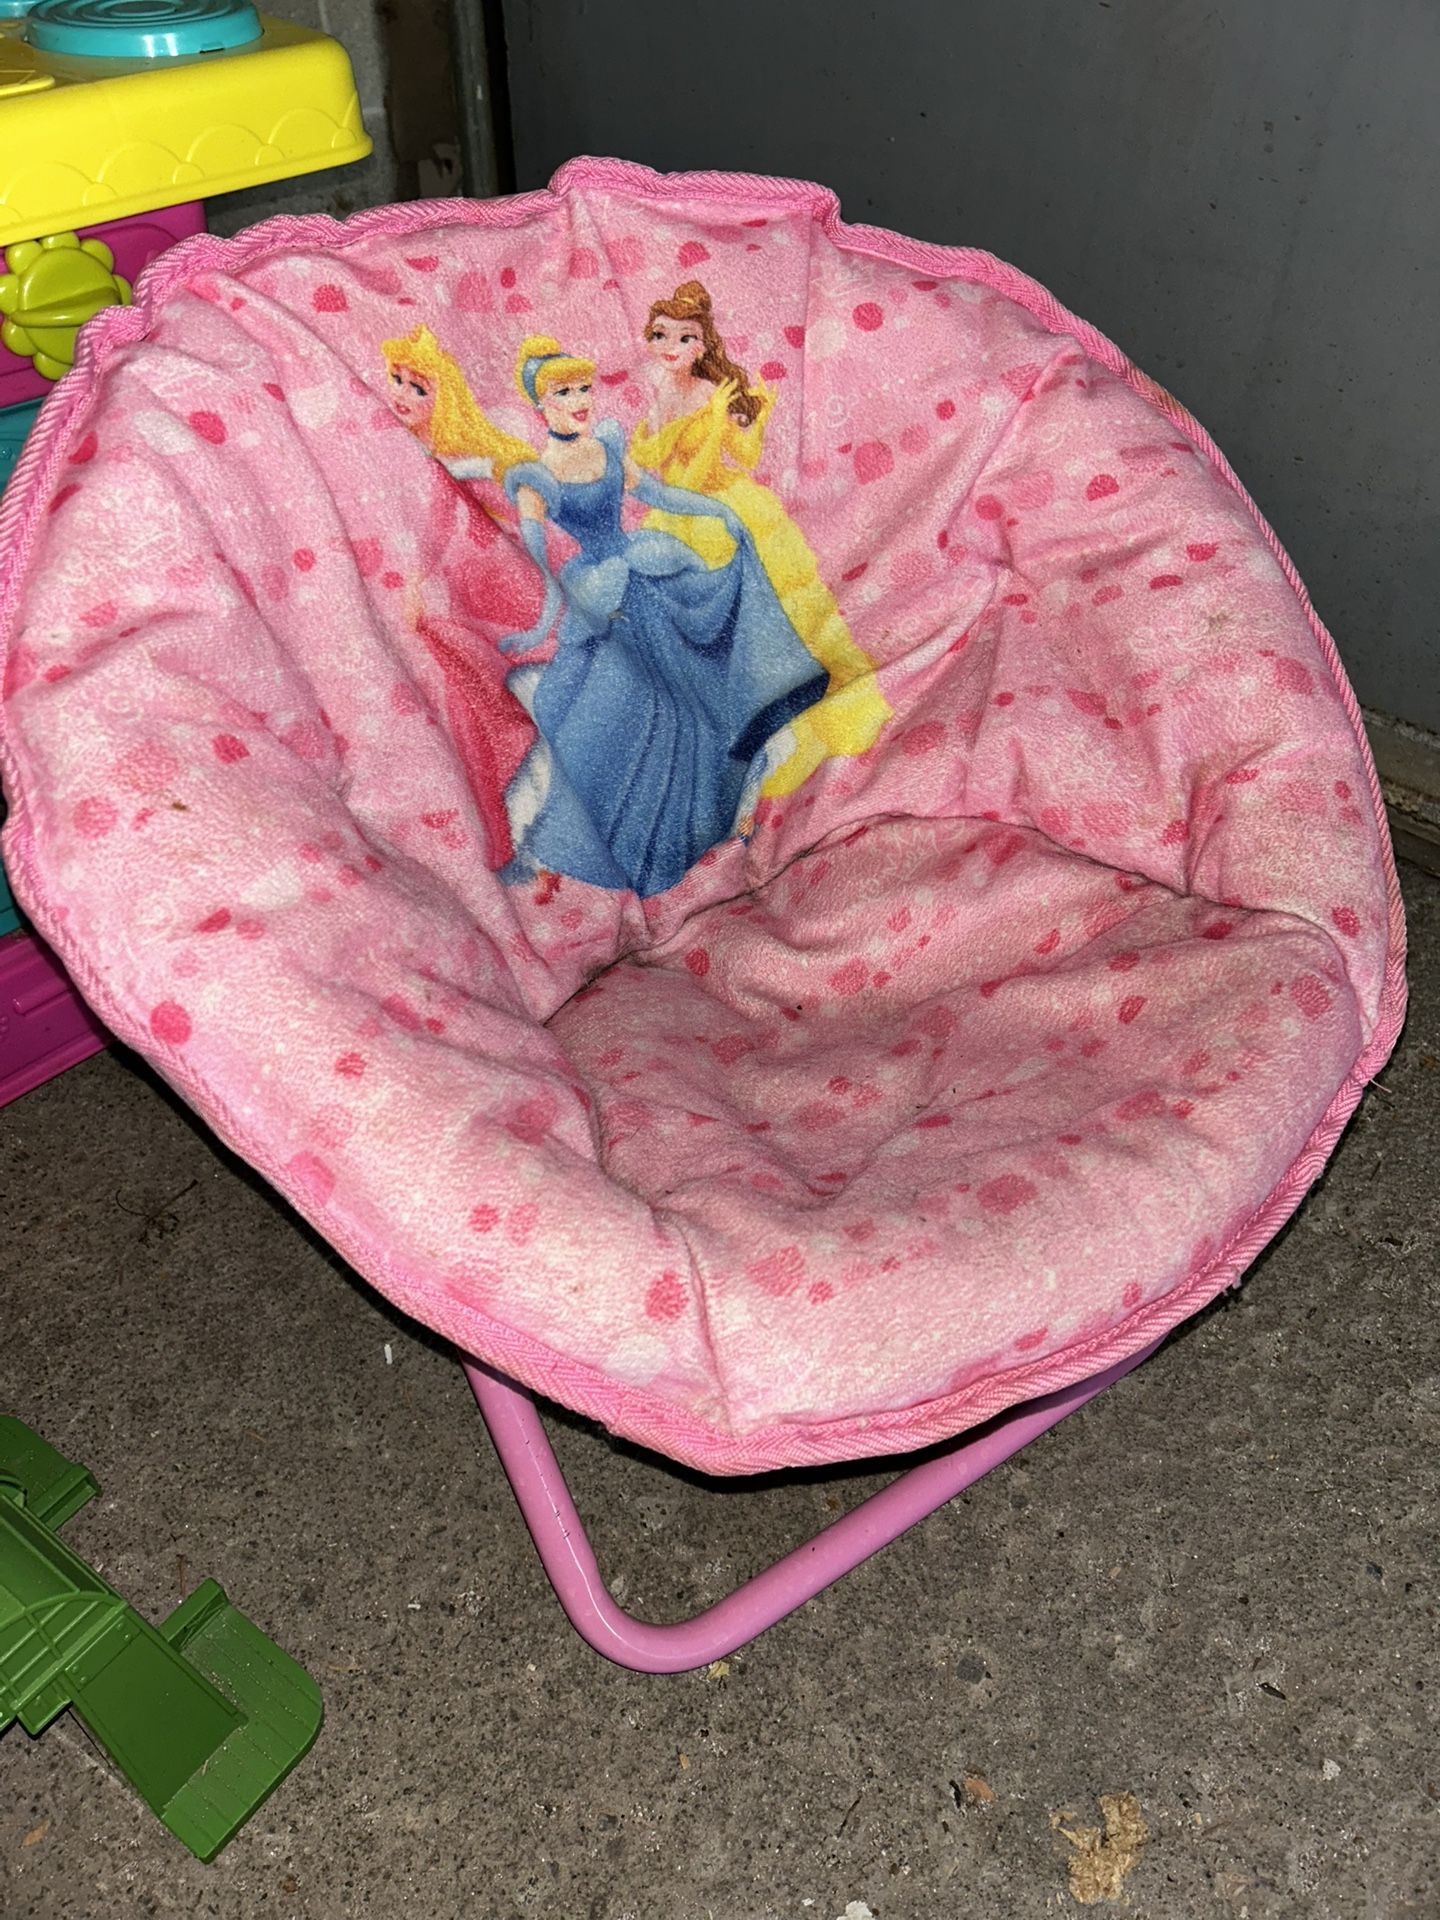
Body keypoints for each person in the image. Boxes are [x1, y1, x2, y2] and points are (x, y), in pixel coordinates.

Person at [497, 333, 829, 899]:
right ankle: (644, 848)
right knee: (620, 716)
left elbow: (658, 495)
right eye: (563, 393)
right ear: (540, 405)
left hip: (647, 573)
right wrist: (540, 625)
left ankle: (718, 816)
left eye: (583, 388)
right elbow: (536, 565)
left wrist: (718, 510)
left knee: (699, 697)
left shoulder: (607, 445)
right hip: (602, 596)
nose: (579, 401)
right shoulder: (536, 477)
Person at [630, 281, 889, 797]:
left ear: (702, 345)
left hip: (719, 507)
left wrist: (757, 417)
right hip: (678, 511)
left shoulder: (710, 393)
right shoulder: (662, 393)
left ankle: (780, 704)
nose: (670, 347)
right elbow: (654, 461)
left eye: (684, 338)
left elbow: (739, 458)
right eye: (660, 335)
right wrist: (691, 427)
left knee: (760, 609)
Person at [378, 326, 539, 868]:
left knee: (477, 718)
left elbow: (449, 542)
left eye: (418, 388)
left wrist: (421, 593)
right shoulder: (382, 449)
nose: (402, 395)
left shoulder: (454, 465)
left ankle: (502, 840)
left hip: (453, 610)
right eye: (397, 380)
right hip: (427, 612)